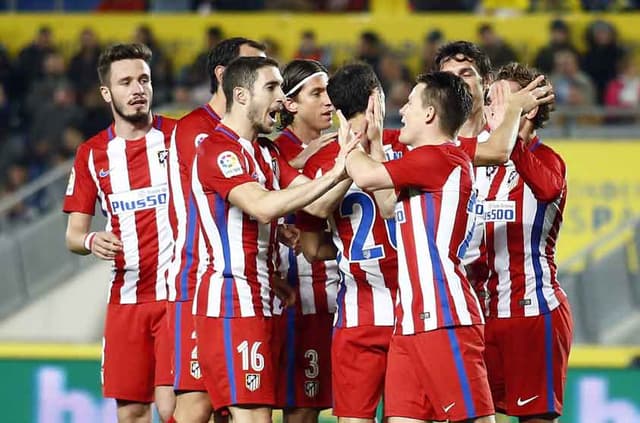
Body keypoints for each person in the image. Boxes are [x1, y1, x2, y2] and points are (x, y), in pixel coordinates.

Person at [190, 56, 357, 423]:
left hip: (265, 301)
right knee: (251, 416)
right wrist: (340, 169)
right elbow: (263, 206)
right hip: (233, 301)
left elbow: (320, 203)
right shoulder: (218, 149)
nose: (282, 98)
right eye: (272, 87)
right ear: (241, 95)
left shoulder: (265, 153)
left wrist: (349, 160)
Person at [344, 71, 494, 423]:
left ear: (429, 114)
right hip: (409, 322)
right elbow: (384, 204)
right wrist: (376, 141)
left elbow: (365, 176)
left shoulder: (442, 157)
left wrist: (349, 140)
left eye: (410, 103)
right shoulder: (425, 166)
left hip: (443, 315)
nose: (403, 110)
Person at [63, 43, 176, 423]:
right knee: (130, 411)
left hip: (179, 297)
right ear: (107, 93)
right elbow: (74, 235)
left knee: (176, 407)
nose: (138, 88)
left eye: (143, 79)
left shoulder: (179, 138)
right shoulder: (92, 154)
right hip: (126, 298)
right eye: (126, 81)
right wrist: (93, 240)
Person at [297, 63, 405, 423]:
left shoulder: (319, 165)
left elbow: (312, 246)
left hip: (356, 313)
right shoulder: (411, 148)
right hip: (412, 311)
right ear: (378, 97)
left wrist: (346, 251)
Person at [166, 37, 266, 423]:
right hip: (197, 283)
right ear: (226, 76)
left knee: (234, 402)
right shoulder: (200, 132)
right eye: (258, 69)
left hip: (239, 287)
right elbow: (240, 200)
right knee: (196, 403)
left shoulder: (252, 139)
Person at [481, 62, 573, 423]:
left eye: (500, 100)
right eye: (488, 100)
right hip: (483, 317)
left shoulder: (547, 160)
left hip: (534, 314)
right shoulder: (478, 164)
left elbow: (549, 188)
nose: (489, 108)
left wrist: (512, 140)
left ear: (528, 109)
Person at [273, 58, 341, 422]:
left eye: (330, 92)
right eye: (317, 93)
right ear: (290, 103)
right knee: (300, 411)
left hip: (341, 300)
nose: (329, 101)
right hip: (296, 303)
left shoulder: (342, 147)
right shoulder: (273, 152)